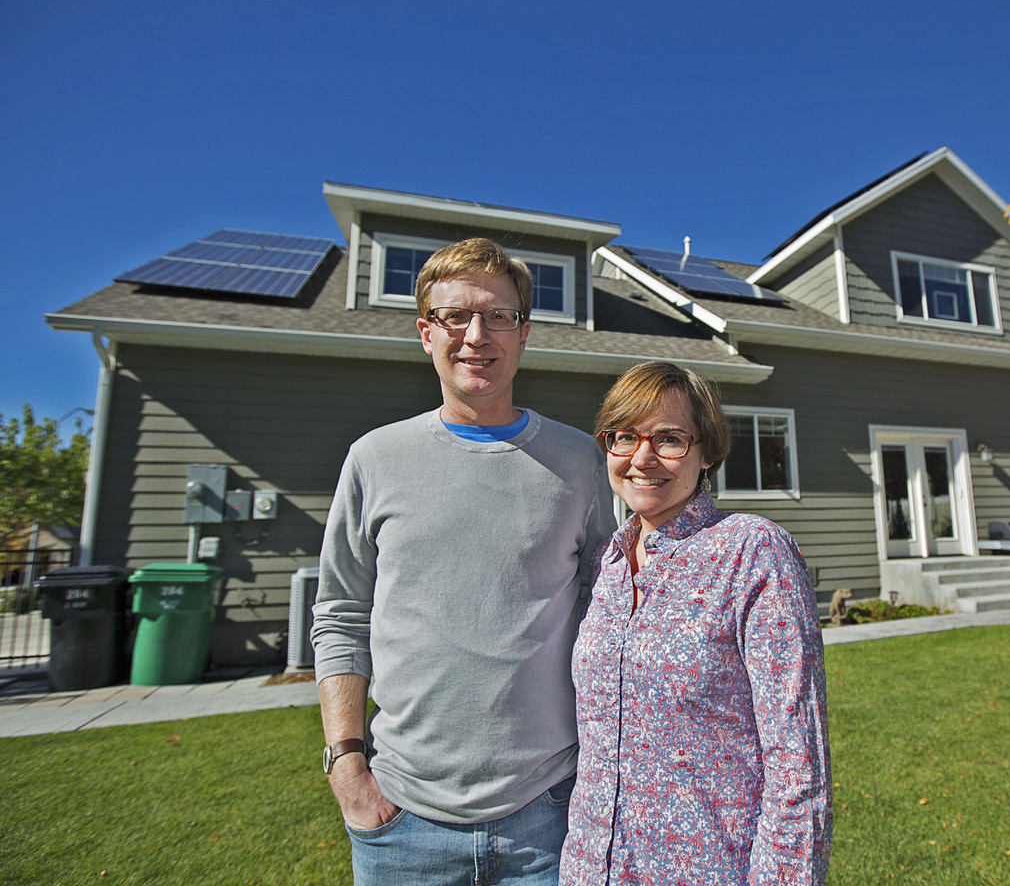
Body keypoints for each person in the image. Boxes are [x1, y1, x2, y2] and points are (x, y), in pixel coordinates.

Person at [312, 237, 617, 885]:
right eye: (456, 316)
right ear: (427, 332)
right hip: (401, 826)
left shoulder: (578, 463)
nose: (477, 335)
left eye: (498, 316)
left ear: (524, 333)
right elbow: (340, 614)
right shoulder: (374, 459)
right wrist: (347, 766)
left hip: (551, 813)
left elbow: (607, 616)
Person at [560, 361, 833, 885]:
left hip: (708, 868)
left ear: (705, 450)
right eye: (624, 437)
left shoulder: (752, 553)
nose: (642, 458)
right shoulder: (605, 563)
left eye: (669, 439)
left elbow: (799, 763)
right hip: (592, 867)